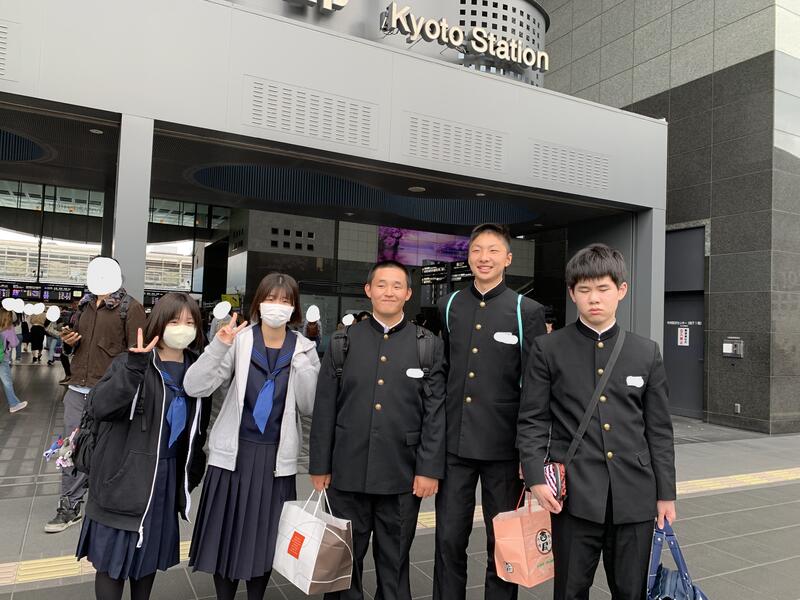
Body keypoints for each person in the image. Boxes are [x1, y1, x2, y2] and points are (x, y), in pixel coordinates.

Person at [518, 244, 676, 600]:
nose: (594, 298)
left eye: (603, 288)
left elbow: (659, 430)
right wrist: (535, 477)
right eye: (584, 289)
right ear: (572, 293)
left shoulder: (646, 351)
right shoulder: (548, 348)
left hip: (635, 495)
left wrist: (666, 493)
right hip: (574, 496)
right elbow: (532, 419)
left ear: (621, 290)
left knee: (631, 591)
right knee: (570, 590)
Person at [309, 260, 447, 600]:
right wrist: (319, 465)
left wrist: (429, 469)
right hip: (346, 472)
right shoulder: (343, 342)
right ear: (368, 290)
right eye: (381, 284)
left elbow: (434, 412)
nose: (389, 292)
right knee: (343, 562)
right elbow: (325, 408)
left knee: (395, 562)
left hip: (402, 474)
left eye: (397, 286)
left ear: (408, 293)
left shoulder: (427, 344)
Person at [185, 273, 321, 600]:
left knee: (265, 538)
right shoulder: (240, 340)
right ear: (258, 303)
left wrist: (304, 367)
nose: (277, 306)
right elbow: (196, 386)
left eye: (285, 301)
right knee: (226, 536)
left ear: (295, 308)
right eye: (271, 299)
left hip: (276, 460)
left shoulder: (304, 349)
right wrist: (219, 345)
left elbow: (309, 406)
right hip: (234, 455)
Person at [433, 223, 546, 600]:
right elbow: (445, 368)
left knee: (504, 541)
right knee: (449, 538)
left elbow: (535, 384)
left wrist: (530, 454)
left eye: (493, 250)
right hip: (455, 444)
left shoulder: (526, 310)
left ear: (508, 259)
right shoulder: (449, 304)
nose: (484, 257)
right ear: (468, 256)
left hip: (504, 447)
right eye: (477, 250)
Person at [75, 292, 210, 600]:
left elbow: (197, 431)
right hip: (123, 478)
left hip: (164, 479)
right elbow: (101, 407)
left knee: (146, 562)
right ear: (159, 322)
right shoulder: (132, 360)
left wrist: (191, 473)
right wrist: (134, 368)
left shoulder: (198, 370)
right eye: (174, 321)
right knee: (111, 565)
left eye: (190, 322)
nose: (183, 328)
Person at [48, 260, 147, 533]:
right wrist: (70, 343)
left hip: (109, 393)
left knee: (108, 449)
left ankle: (106, 501)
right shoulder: (83, 306)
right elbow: (75, 348)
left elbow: (138, 355)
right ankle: (69, 505)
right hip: (77, 389)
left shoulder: (131, 308)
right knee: (72, 447)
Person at [0, 308, 27, 413]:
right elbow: (14, 343)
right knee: (7, 382)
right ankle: (14, 404)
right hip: (2, 358)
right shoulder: (9, 328)